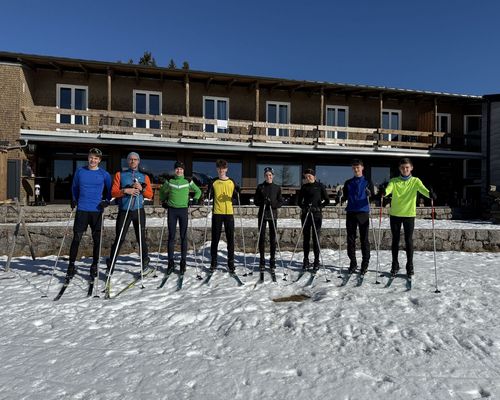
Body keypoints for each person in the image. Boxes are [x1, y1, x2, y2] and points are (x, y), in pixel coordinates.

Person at [383, 157, 435, 277]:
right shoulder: (394, 181)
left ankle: (409, 266)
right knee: (395, 241)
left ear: (411, 168)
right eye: (402, 167)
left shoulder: (415, 181)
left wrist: (430, 194)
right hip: (395, 214)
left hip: (409, 215)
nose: (405, 169)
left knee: (409, 241)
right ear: (399, 169)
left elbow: (424, 190)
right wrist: (384, 193)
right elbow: (388, 189)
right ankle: (394, 265)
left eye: (407, 167)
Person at [67, 148, 111, 280]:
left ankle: (94, 265)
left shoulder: (104, 174)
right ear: (88, 158)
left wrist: (106, 201)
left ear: (100, 160)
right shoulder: (80, 172)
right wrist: (73, 199)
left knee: (97, 239)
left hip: (97, 211)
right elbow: (74, 187)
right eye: (91, 157)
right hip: (82, 209)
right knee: (76, 238)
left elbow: (109, 191)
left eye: (96, 158)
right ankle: (71, 265)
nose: (93, 160)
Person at [107, 152, 153, 274]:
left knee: (141, 238)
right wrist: (125, 190)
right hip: (124, 210)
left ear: (138, 161)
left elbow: (150, 194)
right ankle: (111, 264)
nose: (133, 161)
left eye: (135, 159)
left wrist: (141, 189)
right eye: (130, 159)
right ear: (127, 161)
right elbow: (113, 192)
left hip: (138, 210)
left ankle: (145, 262)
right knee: (120, 238)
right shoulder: (120, 175)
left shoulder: (144, 177)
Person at [159, 161, 202, 275]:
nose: (179, 171)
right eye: (177, 169)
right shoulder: (170, 181)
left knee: (183, 237)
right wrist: (163, 201)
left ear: (183, 171)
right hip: (172, 211)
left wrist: (195, 199)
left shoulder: (188, 181)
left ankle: (183, 261)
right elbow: (162, 191)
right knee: (171, 237)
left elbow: (198, 191)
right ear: (175, 170)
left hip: (183, 210)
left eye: (181, 169)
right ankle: (170, 262)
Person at [339, 159, 374, 275]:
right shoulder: (348, 182)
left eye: (358, 167)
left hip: (363, 212)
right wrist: (340, 196)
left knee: (364, 239)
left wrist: (370, 195)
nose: (356, 169)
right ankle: (353, 263)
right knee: (351, 239)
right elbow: (345, 197)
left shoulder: (368, 181)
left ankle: (365, 264)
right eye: (354, 167)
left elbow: (373, 197)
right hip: (351, 212)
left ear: (362, 168)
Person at [209, 159, 240, 274]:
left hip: (229, 214)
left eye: (223, 168)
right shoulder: (214, 182)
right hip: (217, 213)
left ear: (226, 169)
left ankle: (230, 263)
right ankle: (213, 262)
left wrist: (236, 195)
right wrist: (209, 191)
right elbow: (210, 196)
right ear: (217, 169)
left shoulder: (232, 182)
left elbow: (236, 198)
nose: (221, 170)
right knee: (215, 239)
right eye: (219, 169)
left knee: (230, 239)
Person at [254, 167, 283, 280]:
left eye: (270, 175)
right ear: (264, 176)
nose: (268, 176)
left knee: (272, 239)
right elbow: (256, 201)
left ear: (273, 176)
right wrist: (263, 202)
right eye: (266, 175)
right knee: (261, 238)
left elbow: (281, 201)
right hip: (262, 214)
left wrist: (273, 204)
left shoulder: (276, 188)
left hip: (272, 215)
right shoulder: (260, 187)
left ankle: (272, 260)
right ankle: (262, 260)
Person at [297, 168, 330, 271]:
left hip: (316, 215)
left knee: (316, 238)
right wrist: (304, 207)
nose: (308, 178)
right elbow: (299, 201)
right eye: (306, 177)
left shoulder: (320, 186)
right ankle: (306, 260)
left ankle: (316, 260)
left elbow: (327, 200)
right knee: (306, 238)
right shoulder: (304, 187)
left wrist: (319, 207)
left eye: (310, 176)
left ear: (314, 176)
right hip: (306, 214)